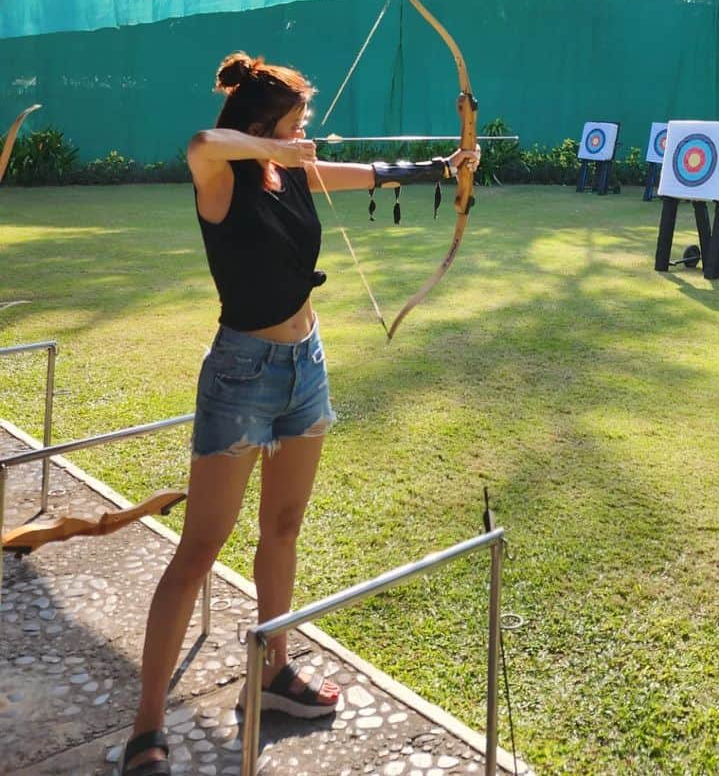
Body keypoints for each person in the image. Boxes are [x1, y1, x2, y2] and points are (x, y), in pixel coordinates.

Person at [122, 52, 479, 775]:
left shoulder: (289, 173)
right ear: (262, 127)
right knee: (198, 551)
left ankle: (275, 670)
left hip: (304, 369)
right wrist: (271, 147)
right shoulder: (221, 178)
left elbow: (370, 175)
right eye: (294, 123)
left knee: (282, 528)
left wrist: (446, 167)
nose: (305, 135)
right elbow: (201, 143)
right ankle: (147, 725)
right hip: (240, 375)